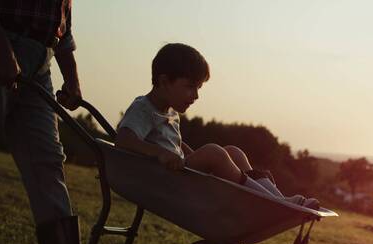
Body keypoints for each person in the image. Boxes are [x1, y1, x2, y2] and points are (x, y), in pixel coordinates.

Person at [116, 43, 319, 209]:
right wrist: (160, 153)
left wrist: (198, 157)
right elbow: (123, 139)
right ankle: (272, 204)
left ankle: (279, 200)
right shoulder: (143, 108)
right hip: (161, 183)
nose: (196, 96)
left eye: (198, 88)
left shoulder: (170, 112)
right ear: (164, 81)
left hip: (175, 175)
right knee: (214, 152)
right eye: (190, 87)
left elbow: (176, 145)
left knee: (233, 152)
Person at [0, 1, 85, 244]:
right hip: (4, 42)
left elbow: (63, 27)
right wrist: (4, 51)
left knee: (48, 165)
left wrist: (72, 78)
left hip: (40, 62)